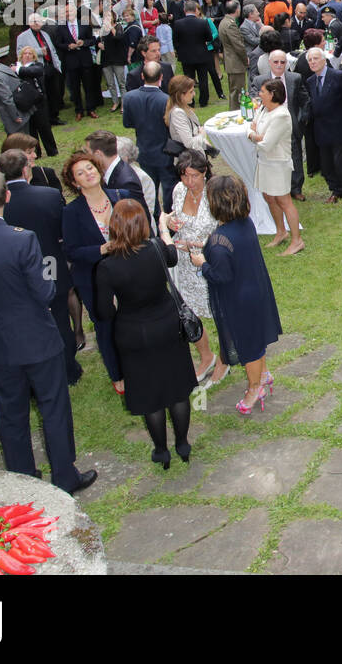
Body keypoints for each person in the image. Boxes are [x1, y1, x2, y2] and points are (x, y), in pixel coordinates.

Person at [0, 169, 97, 495]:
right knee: (54, 407)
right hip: (38, 338)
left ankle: (23, 479)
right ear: (8, 197)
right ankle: (65, 476)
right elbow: (44, 293)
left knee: (11, 413)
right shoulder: (21, 239)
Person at [95, 199, 198, 469]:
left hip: (133, 334)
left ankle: (161, 450)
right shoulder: (155, 250)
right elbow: (173, 257)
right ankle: (183, 444)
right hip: (167, 326)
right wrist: (163, 229)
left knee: (150, 395)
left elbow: (104, 312)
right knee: (176, 390)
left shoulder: (106, 267)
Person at [188, 176, 282, 415]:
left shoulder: (220, 241)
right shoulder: (245, 223)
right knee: (255, 341)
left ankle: (254, 388)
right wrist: (205, 246)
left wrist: (202, 263)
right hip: (255, 290)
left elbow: (220, 275)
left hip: (239, 301)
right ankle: (263, 374)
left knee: (248, 348)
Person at [0, 148, 81, 384]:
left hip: (15, 272)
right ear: (26, 169)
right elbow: (62, 233)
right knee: (60, 319)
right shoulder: (49, 196)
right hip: (50, 264)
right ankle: (67, 370)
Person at [61, 151, 124, 389]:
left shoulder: (120, 197)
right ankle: (117, 375)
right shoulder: (72, 212)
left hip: (127, 272)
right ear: (75, 183)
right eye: (80, 173)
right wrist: (102, 249)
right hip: (94, 279)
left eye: (90, 168)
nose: (88, 174)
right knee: (106, 325)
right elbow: (72, 251)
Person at [165, 150, 225, 383]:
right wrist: (170, 222)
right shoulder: (179, 190)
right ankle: (205, 355)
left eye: (194, 176)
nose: (189, 182)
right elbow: (175, 218)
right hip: (183, 263)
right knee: (188, 312)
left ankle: (224, 358)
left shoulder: (216, 193)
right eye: (184, 176)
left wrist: (203, 245)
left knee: (218, 311)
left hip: (209, 260)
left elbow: (226, 230)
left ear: (205, 173)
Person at [250, 77, 305, 253]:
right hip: (265, 162)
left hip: (277, 164)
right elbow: (253, 127)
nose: (259, 94)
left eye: (262, 91)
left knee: (284, 201)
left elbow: (266, 143)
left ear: (272, 94)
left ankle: (297, 240)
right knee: (269, 197)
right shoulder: (264, 109)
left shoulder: (281, 115)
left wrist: (253, 136)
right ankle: (281, 232)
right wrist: (255, 134)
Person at [304, 46, 342, 205]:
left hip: (339, 126)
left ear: (324, 60)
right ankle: (336, 189)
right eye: (310, 60)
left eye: (315, 58)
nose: (313, 62)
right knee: (326, 164)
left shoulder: (339, 76)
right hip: (321, 129)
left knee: (340, 162)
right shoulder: (310, 81)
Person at [124, 61, 176, 214]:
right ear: (161, 77)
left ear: (142, 76)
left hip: (144, 151)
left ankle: (155, 217)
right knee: (168, 190)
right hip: (164, 152)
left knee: (150, 189)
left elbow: (128, 123)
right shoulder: (166, 100)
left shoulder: (129, 98)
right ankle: (168, 218)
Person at [14, 45, 57, 157]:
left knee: (44, 127)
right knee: (31, 130)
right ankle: (35, 152)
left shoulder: (37, 66)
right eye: (25, 53)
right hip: (25, 104)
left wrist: (18, 70)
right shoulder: (14, 67)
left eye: (30, 54)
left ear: (34, 56)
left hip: (38, 102)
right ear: (21, 56)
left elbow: (34, 72)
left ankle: (52, 151)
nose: (27, 56)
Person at [173, 1, 215, 106]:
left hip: (186, 56)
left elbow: (175, 41)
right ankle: (203, 101)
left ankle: (190, 102)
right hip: (201, 54)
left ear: (184, 10)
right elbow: (209, 37)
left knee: (188, 80)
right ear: (195, 10)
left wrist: (180, 51)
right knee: (203, 79)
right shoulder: (202, 22)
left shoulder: (178, 23)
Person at [86, 129, 144, 204]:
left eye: (88, 152)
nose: (86, 156)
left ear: (98, 154)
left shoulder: (126, 183)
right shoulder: (106, 171)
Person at [164, 75, 208, 156]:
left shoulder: (184, 108)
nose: (194, 94)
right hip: (190, 161)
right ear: (180, 95)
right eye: (191, 92)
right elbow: (189, 143)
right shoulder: (178, 113)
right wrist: (202, 134)